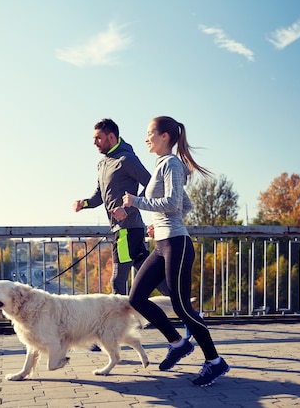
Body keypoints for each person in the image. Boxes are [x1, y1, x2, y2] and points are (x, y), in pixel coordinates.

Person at [123, 116, 230, 387]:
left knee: (182, 307)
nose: (146, 138)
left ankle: (215, 362)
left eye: (150, 133)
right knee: (136, 297)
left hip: (177, 245)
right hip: (163, 242)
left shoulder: (171, 163)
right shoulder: (163, 165)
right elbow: (185, 205)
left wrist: (136, 202)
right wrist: (158, 224)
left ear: (165, 137)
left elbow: (171, 202)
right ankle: (178, 343)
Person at [74, 118, 169, 296]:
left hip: (126, 230)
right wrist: (84, 203)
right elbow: (98, 197)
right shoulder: (103, 164)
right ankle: (187, 308)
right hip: (125, 230)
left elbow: (151, 185)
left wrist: (127, 209)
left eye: (98, 138)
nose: (94, 142)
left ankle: (127, 323)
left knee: (118, 281)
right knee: (150, 276)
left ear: (111, 137)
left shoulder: (126, 159)